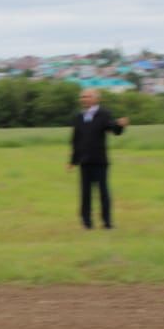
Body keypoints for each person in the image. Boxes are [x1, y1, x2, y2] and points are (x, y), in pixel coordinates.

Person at [68, 88, 129, 229]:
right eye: (82, 97)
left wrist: (120, 126)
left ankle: (107, 223)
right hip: (84, 161)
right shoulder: (78, 116)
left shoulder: (104, 114)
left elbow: (113, 129)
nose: (84, 99)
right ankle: (86, 223)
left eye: (87, 97)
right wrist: (73, 160)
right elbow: (75, 139)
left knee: (103, 193)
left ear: (96, 99)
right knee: (85, 193)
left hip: (100, 161)